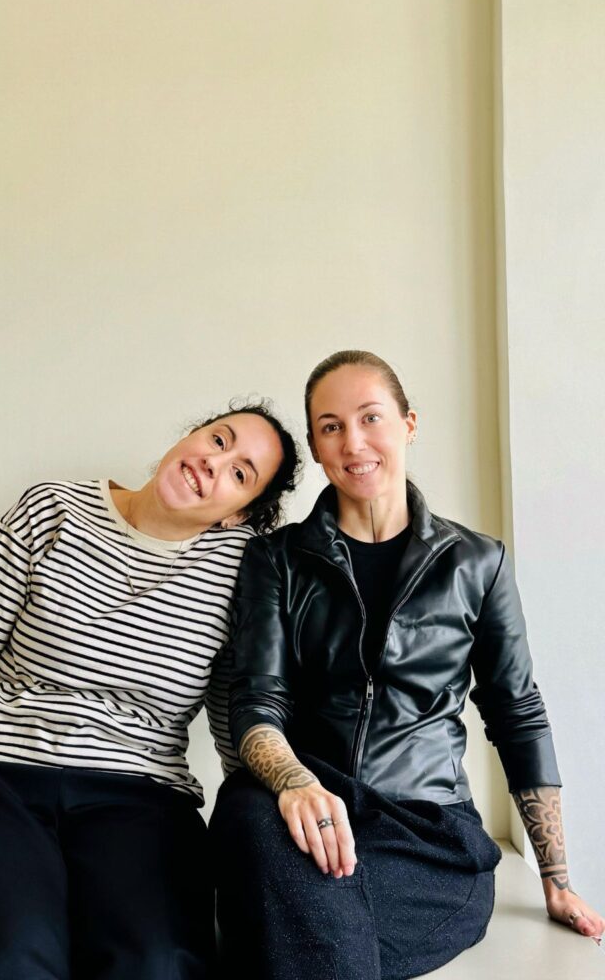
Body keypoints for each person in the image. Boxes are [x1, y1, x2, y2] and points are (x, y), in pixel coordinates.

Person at [0, 402, 300, 980]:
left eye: (241, 473)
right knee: (11, 959)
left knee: (155, 966)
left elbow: (236, 712)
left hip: (140, 801)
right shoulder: (50, 509)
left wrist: (283, 799)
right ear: (191, 434)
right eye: (219, 439)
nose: (214, 464)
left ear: (238, 515)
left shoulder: (243, 568)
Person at [210, 351, 604, 980]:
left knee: (286, 924)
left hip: (427, 833)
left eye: (371, 417)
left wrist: (556, 880)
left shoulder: (479, 563)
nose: (353, 442)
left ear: (408, 424)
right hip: (298, 812)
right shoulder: (276, 560)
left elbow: (517, 712)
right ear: (316, 446)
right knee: (251, 820)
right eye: (331, 426)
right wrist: (295, 783)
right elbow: (257, 699)